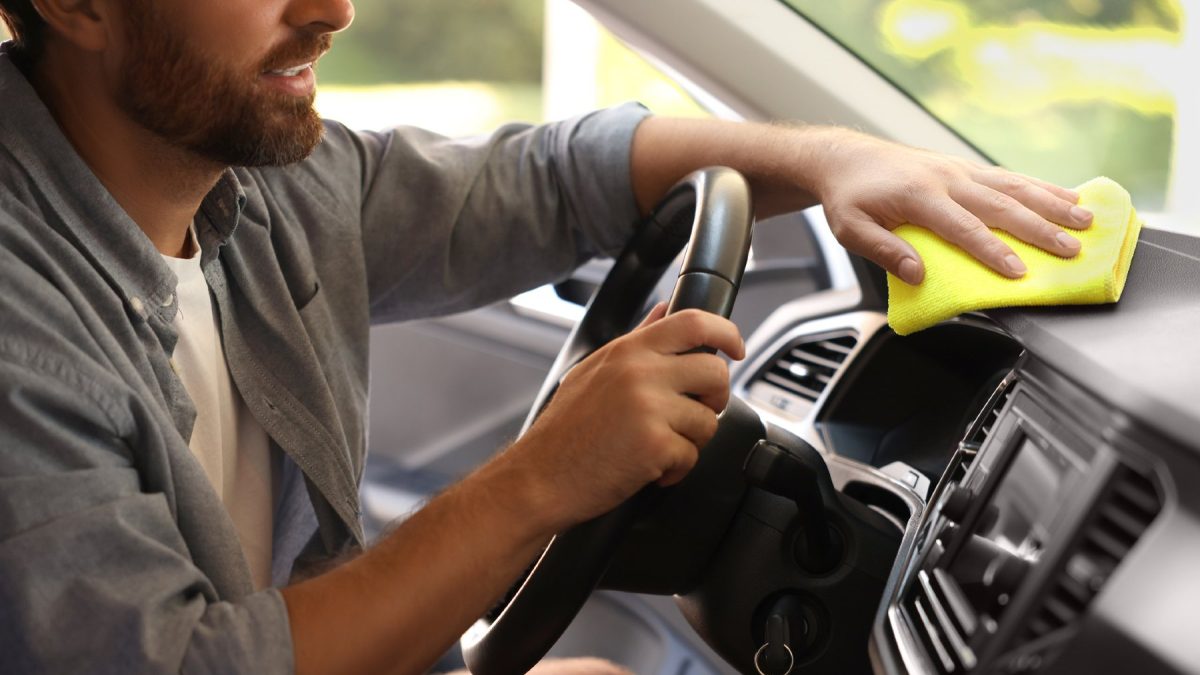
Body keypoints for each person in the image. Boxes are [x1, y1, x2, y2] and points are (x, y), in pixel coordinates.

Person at [0, 0, 1094, 673]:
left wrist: (831, 161)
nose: (333, 10)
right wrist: (542, 478)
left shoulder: (264, 184)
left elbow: (556, 181)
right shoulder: (20, 334)